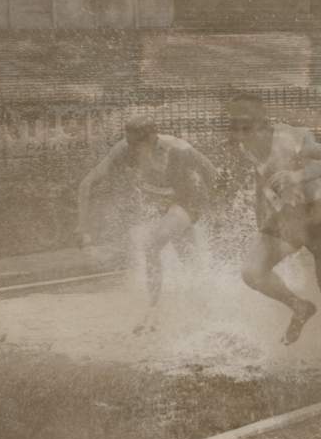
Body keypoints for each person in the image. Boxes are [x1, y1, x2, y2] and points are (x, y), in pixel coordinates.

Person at [226, 93, 321, 354]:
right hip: (288, 214)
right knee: (252, 272)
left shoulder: (291, 138)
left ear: (263, 122)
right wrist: (262, 217)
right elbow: (262, 177)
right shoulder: (245, 145)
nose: (239, 131)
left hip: (320, 212)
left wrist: (298, 175)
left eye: (246, 124)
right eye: (234, 124)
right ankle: (299, 307)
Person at [76, 115, 218, 333]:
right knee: (190, 261)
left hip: (189, 200)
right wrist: (83, 228)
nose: (133, 150)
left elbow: (210, 171)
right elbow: (86, 184)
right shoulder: (123, 149)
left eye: (137, 144)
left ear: (153, 137)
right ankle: (209, 308)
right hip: (166, 204)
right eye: (130, 143)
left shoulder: (177, 148)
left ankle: (153, 311)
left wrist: (218, 209)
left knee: (152, 245)